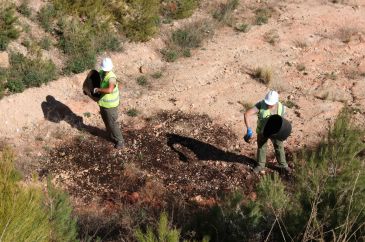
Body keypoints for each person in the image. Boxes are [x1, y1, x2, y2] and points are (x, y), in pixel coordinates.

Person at [243, 90, 291, 173]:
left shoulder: (281, 107)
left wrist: (283, 133)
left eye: (271, 103)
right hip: (262, 131)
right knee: (261, 147)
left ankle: (283, 165)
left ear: (276, 101)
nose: (269, 105)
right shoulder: (261, 105)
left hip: (275, 132)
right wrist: (249, 129)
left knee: (279, 147)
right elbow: (246, 114)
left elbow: (282, 122)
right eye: (267, 103)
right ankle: (260, 165)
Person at [93, 58, 125, 149]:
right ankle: (111, 135)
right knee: (106, 121)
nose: (106, 70)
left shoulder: (111, 78)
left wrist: (98, 89)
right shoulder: (101, 73)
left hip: (111, 106)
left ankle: (120, 140)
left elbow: (110, 90)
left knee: (112, 123)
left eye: (106, 69)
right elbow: (96, 81)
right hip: (103, 104)